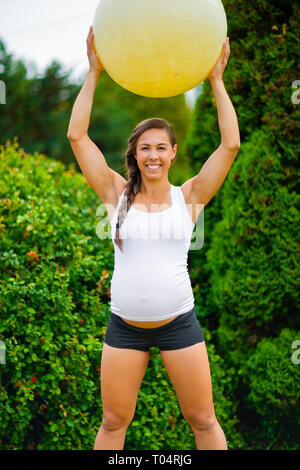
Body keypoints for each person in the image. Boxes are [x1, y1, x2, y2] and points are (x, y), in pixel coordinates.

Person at [67, 26, 240, 451]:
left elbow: (231, 144)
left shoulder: (191, 197)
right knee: (112, 423)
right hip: (125, 328)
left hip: (180, 324)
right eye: (145, 148)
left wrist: (216, 80)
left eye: (161, 147)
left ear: (173, 153)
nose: (153, 155)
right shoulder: (115, 193)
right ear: (136, 154)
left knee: (203, 420)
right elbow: (77, 137)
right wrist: (93, 72)